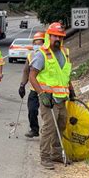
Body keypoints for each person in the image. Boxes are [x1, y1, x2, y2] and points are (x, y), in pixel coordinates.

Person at [29, 22, 76, 169]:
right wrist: (42, 94)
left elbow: (64, 75)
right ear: (49, 36)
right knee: (49, 127)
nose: (57, 39)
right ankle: (45, 157)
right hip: (48, 99)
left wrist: (71, 89)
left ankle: (56, 154)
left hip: (62, 99)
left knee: (61, 126)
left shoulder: (64, 53)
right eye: (55, 36)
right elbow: (32, 76)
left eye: (60, 36)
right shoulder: (42, 54)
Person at [18, 32, 45, 138]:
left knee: (47, 113)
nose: (37, 45)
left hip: (47, 89)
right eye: (35, 43)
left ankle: (49, 131)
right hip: (34, 89)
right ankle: (34, 129)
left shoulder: (48, 55)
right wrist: (22, 85)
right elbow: (26, 71)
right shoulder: (31, 55)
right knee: (32, 110)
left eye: (40, 43)